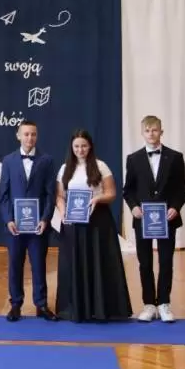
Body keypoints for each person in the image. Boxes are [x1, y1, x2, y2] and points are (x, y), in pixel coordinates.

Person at [55, 129, 132, 322]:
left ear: (90, 147)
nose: (80, 150)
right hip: (73, 223)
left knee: (99, 264)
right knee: (74, 264)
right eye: (76, 146)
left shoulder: (101, 166)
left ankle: (101, 309)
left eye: (84, 146)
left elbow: (111, 193)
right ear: (71, 148)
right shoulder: (64, 169)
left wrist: (97, 198)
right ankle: (74, 309)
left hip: (98, 222)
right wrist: (62, 212)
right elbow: (60, 196)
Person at [122, 116, 185, 323]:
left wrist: (175, 207)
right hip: (143, 220)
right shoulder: (133, 159)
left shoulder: (175, 157)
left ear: (162, 131)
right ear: (142, 133)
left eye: (155, 130)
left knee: (166, 261)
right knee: (145, 263)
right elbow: (128, 190)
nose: (151, 134)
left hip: (167, 219)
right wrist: (133, 207)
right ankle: (149, 304)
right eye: (147, 130)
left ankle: (164, 303)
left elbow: (181, 189)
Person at [0, 120, 57, 322]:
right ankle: (15, 304)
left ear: (37, 136)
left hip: (38, 226)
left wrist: (45, 219)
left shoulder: (47, 160)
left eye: (33, 134)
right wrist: (8, 220)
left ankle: (41, 304)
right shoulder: (8, 160)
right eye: (26, 134)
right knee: (15, 264)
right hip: (14, 226)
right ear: (18, 136)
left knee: (39, 265)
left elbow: (50, 194)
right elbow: (4, 195)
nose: (30, 138)